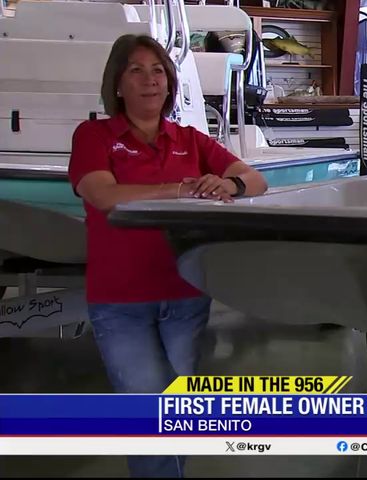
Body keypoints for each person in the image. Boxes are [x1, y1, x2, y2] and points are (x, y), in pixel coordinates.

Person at [68, 34, 268, 477]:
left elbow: (256, 180)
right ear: (117, 83)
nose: (150, 80)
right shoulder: (94, 136)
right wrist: (180, 189)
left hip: (185, 294)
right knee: (147, 410)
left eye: (158, 71)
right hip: (120, 300)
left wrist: (228, 184)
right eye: (136, 71)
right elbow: (104, 195)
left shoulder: (190, 140)